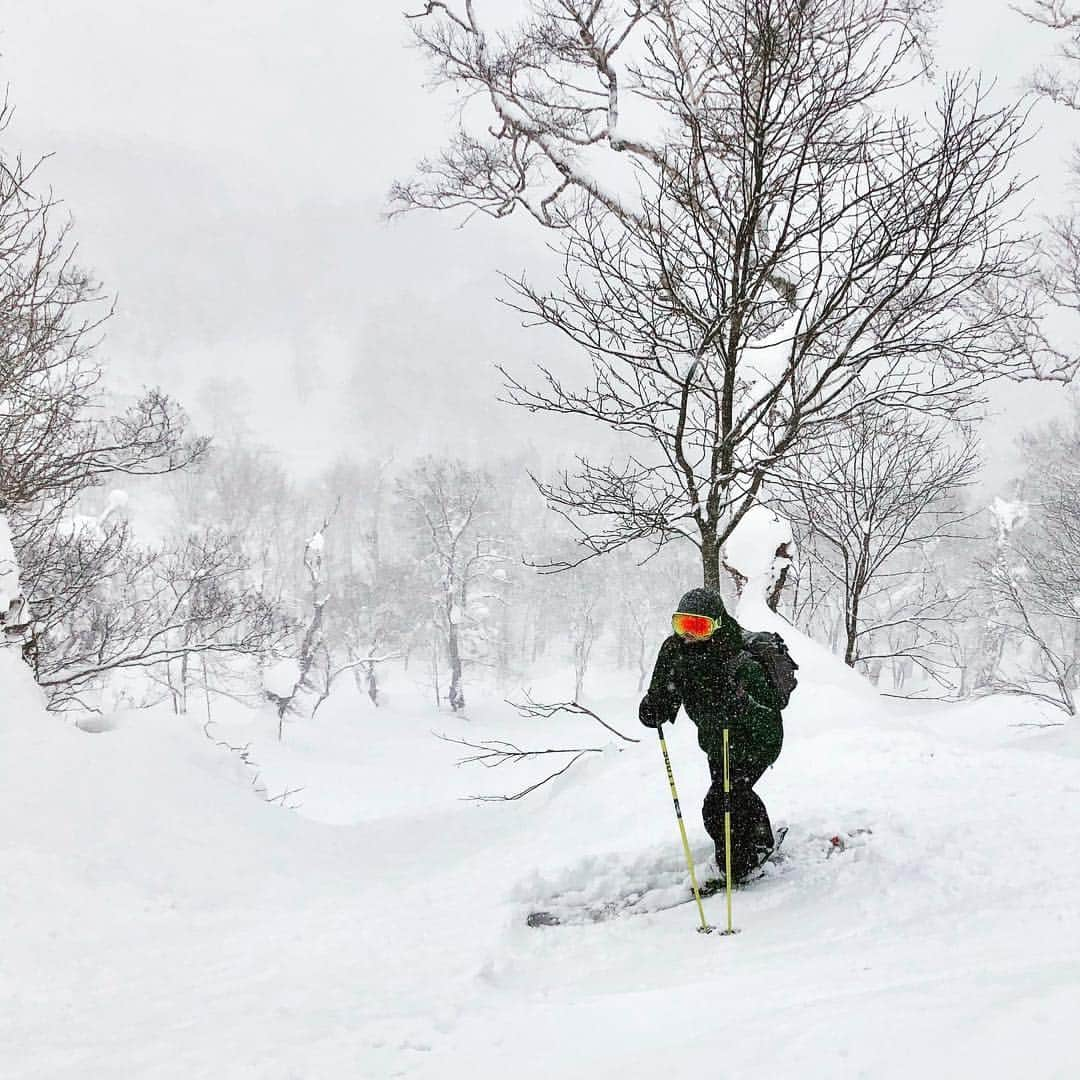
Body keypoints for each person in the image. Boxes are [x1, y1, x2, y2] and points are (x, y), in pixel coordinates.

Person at [638, 586, 783, 883]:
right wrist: (654, 708)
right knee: (732, 794)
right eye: (683, 624)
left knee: (721, 804)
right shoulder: (674, 650)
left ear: (716, 624)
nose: (689, 634)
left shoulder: (739, 656)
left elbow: (770, 710)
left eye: (699, 626)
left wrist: (741, 705)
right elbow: (664, 692)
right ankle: (759, 841)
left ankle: (736, 866)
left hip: (755, 740)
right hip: (716, 740)